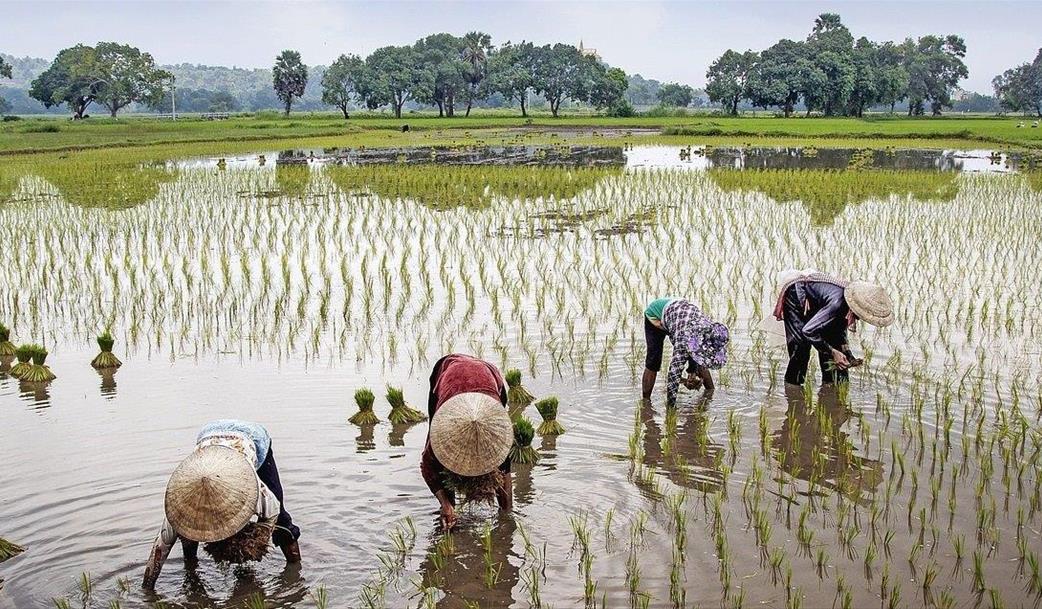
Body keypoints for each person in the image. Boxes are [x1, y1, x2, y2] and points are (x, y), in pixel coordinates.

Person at [142, 420, 301, 589]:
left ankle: (296, 575)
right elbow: (159, 551)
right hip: (208, 436)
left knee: (283, 522)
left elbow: (267, 524)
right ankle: (191, 570)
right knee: (187, 534)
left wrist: (247, 545)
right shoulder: (178, 510)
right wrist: (148, 588)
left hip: (253, 437)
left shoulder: (261, 496)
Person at [420, 354, 514, 530]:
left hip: (489, 374)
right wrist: (445, 503)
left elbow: (505, 467)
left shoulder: (498, 433)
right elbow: (427, 467)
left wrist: (507, 516)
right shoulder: (443, 431)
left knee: (500, 457)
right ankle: (449, 511)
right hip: (449, 372)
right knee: (440, 462)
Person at [772, 271, 894, 387]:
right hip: (797, 295)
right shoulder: (837, 304)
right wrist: (833, 352)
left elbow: (839, 330)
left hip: (820, 302)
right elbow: (808, 331)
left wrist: (847, 353)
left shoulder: (846, 306)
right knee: (801, 349)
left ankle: (831, 386)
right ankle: (793, 390)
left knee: (834, 347)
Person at [642, 298, 730, 405]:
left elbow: (698, 355)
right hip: (656, 316)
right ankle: (646, 402)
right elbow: (673, 374)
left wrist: (692, 372)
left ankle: (710, 394)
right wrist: (671, 411)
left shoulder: (707, 329)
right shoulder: (683, 340)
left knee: (701, 360)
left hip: (680, 317)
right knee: (653, 360)